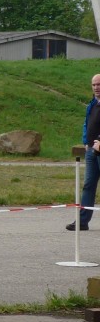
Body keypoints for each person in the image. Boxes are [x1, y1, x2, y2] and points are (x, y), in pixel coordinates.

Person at [67, 72, 100, 231]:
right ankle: (82, 221)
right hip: (91, 153)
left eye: (99, 84)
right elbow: (87, 123)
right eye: (94, 85)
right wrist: (86, 141)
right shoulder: (92, 104)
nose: (96, 87)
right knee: (88, 185)